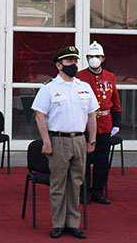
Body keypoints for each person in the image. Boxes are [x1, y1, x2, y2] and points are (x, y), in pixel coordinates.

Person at [31, 45, 98, 239]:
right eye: (70, 62)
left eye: (76, 61)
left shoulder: (84, 87)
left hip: (79, 139)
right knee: (58, 184)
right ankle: (58, 224)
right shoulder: (49, 88)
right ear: (59, 65)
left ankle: (73, 224)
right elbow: (40, 116)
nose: (74, 65)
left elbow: (92, 115)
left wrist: (91, 140)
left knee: (76, 183)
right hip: (58, 140)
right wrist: (46, 141)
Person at [76, 41, 121, 204]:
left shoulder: (110, 77)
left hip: (105, 124)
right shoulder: (79, 76)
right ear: (87, 58)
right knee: (85, 160)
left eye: (97, 56)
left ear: (103, 58)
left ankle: (98, 191)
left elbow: (115, 101)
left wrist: (117, 123)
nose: (94, 59)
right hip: (85, 124)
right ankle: (83, 191)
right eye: (91, 56)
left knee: (102, 160)